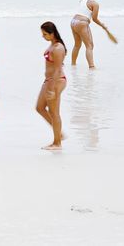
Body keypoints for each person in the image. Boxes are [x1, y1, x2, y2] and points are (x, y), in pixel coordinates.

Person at [36, 22, 67, 150]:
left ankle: (57, 143)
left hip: (57, 81)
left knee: (54, 112)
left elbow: (58, 69)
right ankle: (59, 133)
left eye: (45, 34)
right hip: (48, 80)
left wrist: (53, 89)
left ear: (52, 33)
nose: (43, 36)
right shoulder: (52, 45)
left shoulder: (58, 48)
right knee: (40, 108)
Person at [71, 0, 117, 68]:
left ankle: (73, 65)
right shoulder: (95, 3)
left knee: (77, 45)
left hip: (73, 21)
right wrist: (102, 25)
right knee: (90, 45)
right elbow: (94, 19)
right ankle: (91, 67)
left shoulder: (82, 0)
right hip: (82, 23)